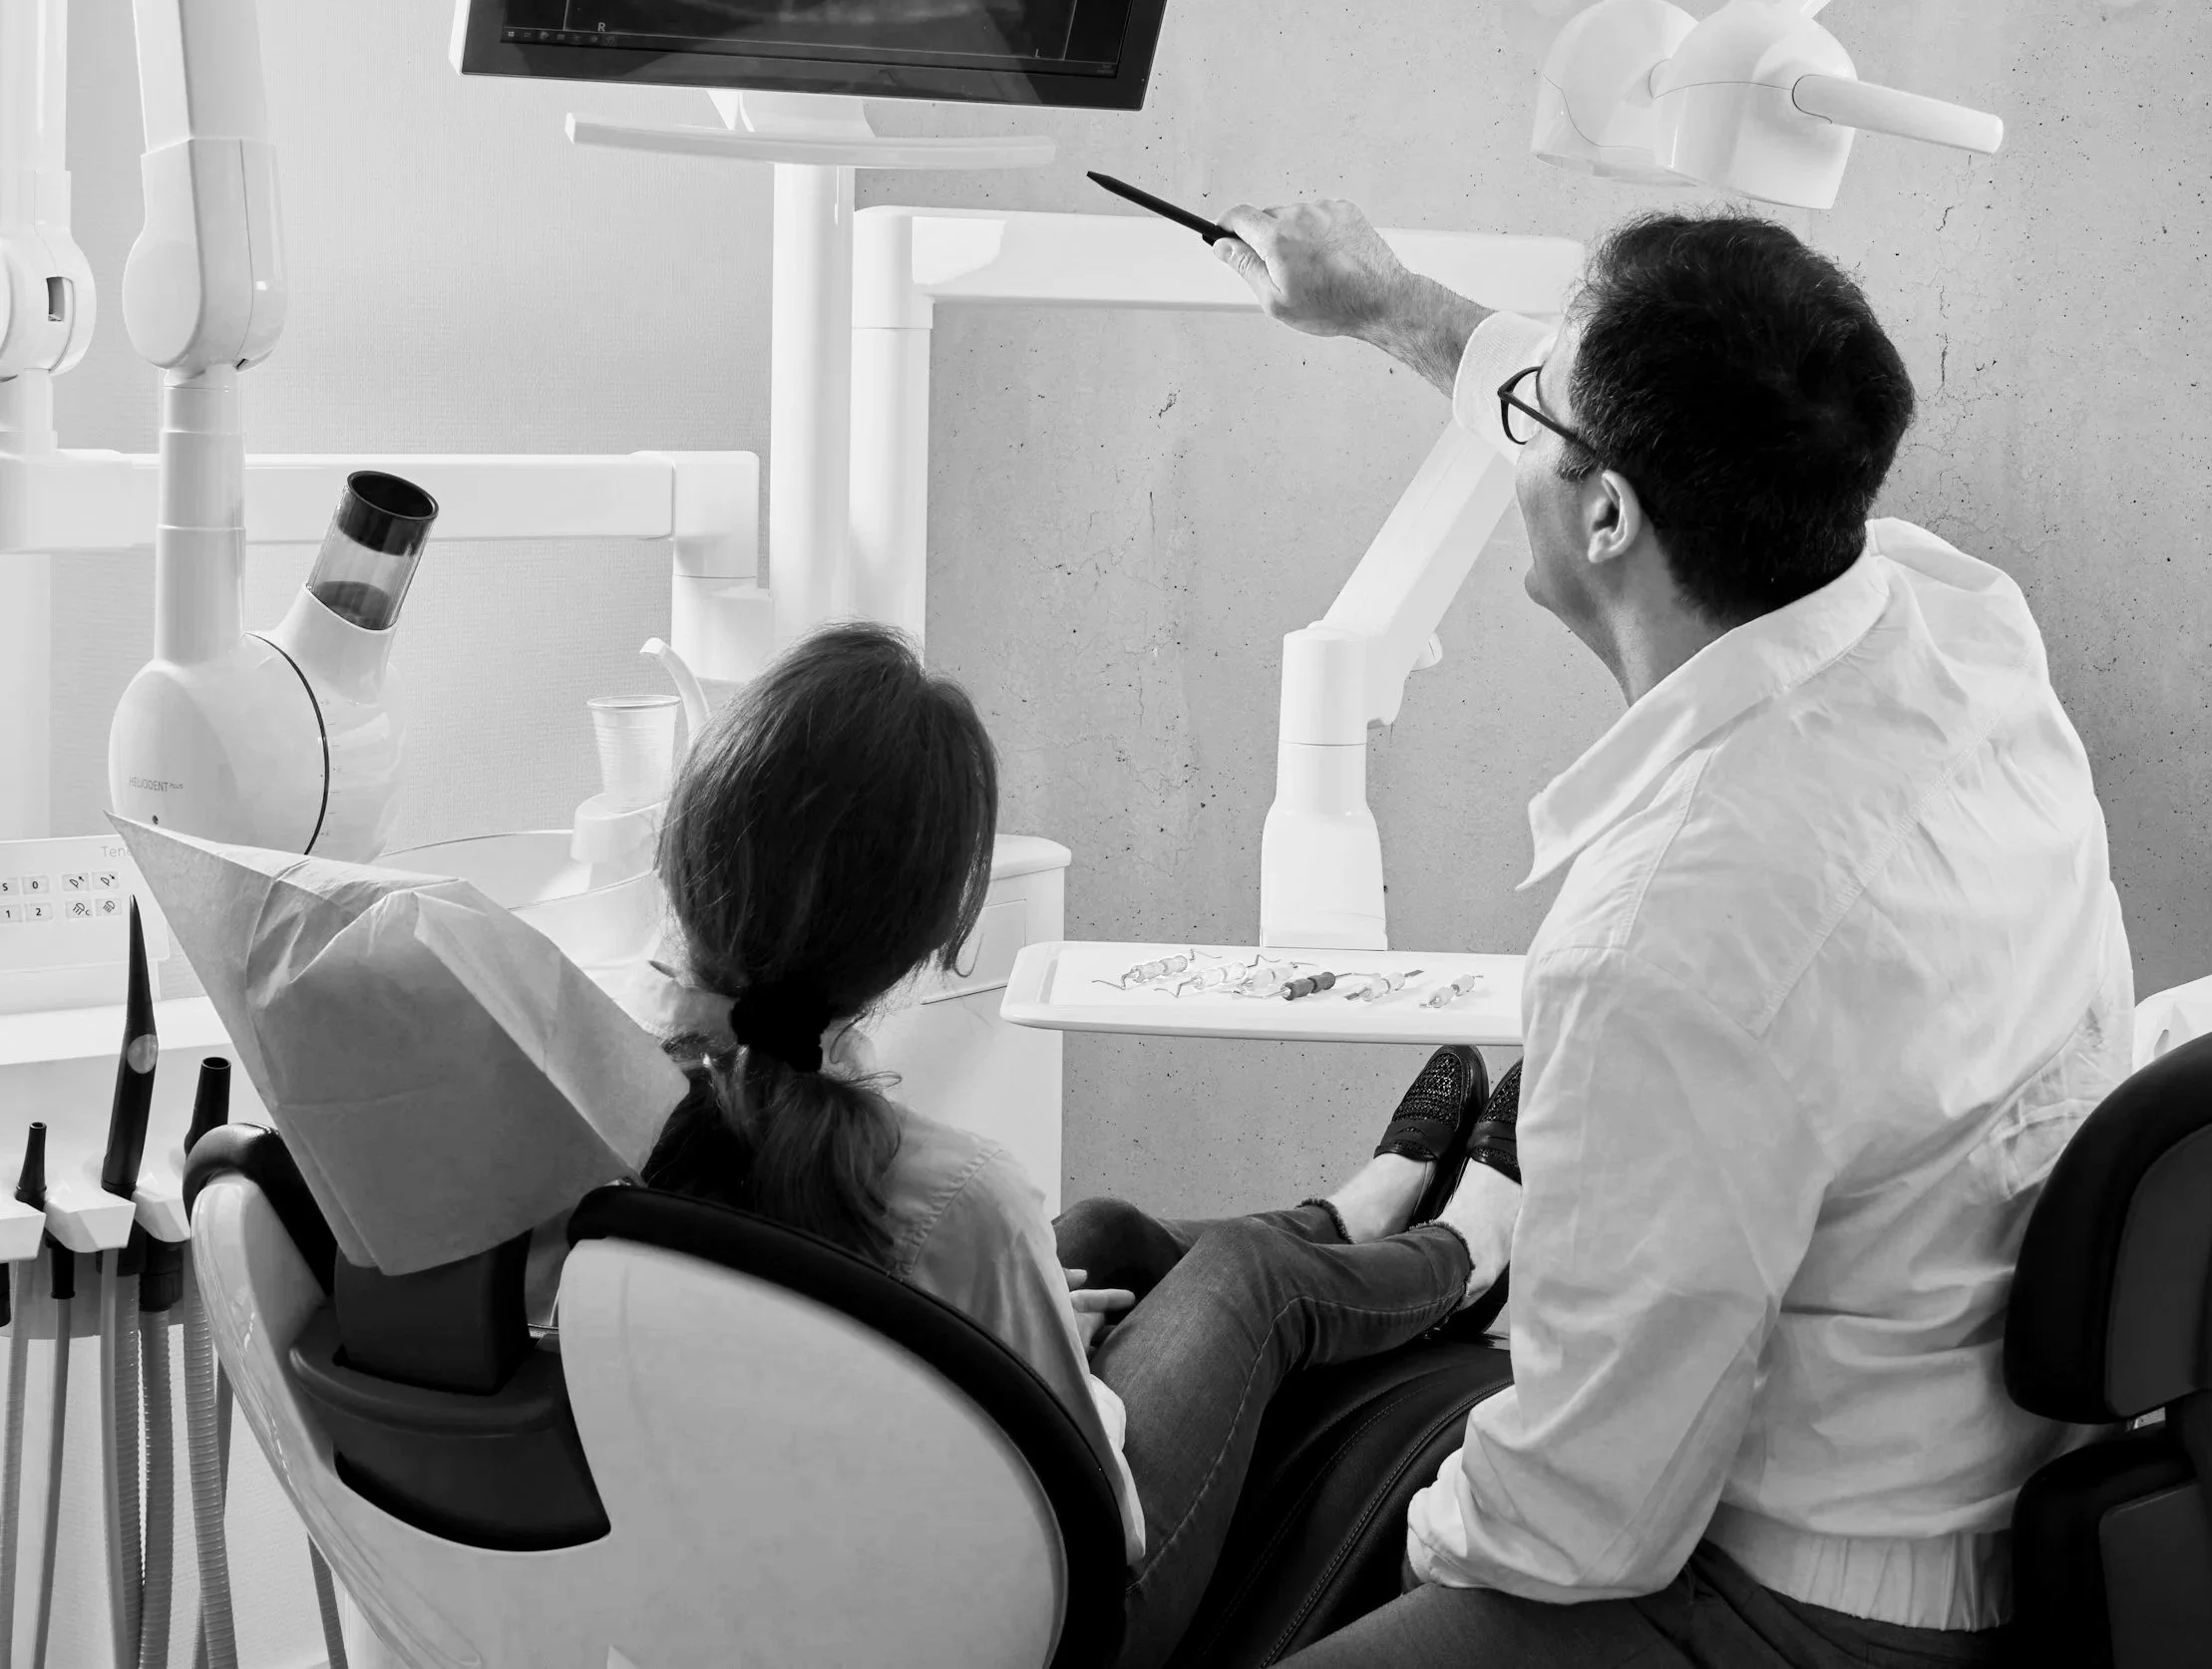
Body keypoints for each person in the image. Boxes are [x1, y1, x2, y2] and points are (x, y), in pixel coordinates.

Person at [1202, 202, 2133, 1667]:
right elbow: (1599, 399)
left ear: (1611, 515)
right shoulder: (1957, 620)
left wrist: (1403, 1550)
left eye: (1533, 411)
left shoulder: (1672, 931)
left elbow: (1580, 1522)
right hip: (1980, 1491)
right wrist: (1385, 303)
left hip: (1792, 1601)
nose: (1517, 413)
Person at [626, 621, 1528, 1669]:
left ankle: (1354, 1216)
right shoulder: (959, 1198)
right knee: (1245, 1278)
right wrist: (1060, 1364)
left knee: (1098, 1231)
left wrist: (1013, 1323)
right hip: (1045, 1624)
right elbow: (1096, 1511)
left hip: (789, 1576)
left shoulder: (617, 1106)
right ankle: (1466, 1253)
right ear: (928, 939)